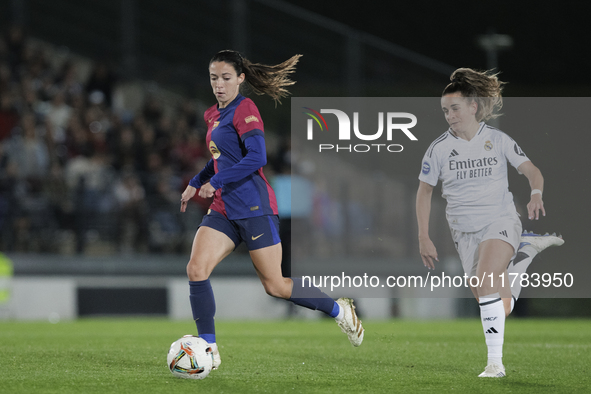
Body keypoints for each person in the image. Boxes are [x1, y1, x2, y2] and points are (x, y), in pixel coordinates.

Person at [180, 50, 364, 370]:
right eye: (214, 78)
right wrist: (197, 182)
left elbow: (257, 157)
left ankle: (340, 311)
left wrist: (217, 179)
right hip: (224, 208)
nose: (219, 85)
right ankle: (208, 348)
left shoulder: (245, 109)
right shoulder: (212, 114)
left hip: (254, 207)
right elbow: (220, 157)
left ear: (240, 78)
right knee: (196, 269)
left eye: (226, 78)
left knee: (276, 286)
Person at [416, 68, 564, 378]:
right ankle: (524, 256)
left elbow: (533, 170)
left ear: (472, 106)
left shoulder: (497, 140)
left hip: (500, 220)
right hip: (463, 231)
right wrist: (423, 236)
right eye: (445, 110)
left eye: (454, 108)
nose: (449, 115)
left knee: (486, 284)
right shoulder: (438, 149)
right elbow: (424, 192)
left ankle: (494, 364)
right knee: (498, 305)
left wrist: (536, 194)